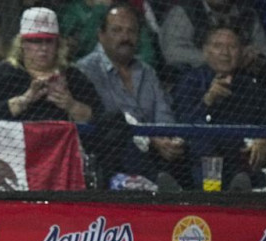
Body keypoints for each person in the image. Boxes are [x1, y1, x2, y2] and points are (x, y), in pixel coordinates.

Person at [76, 3, 190, 190]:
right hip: (114, 155)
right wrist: (151, 139)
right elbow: (106, 119)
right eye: (117, 30)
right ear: (101, 35)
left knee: (187, 147)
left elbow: (163, 114)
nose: (125, 37)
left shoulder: (148, 72)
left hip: (157, 154)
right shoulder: (85, 71)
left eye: (131, 31)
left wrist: (169, 140)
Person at [173, 26, 266, 190]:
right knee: (202, 145)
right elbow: (182, 125)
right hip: (202, 160)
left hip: (241, 161)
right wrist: (207, 101)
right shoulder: (190, 81)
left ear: (241, 52)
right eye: (218, 46)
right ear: (205, 51)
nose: (225, 52)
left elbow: (265, 124)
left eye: (232, 47)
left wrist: (263, 139)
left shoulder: (249, 84)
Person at [0, 7, 102, 123]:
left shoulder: (72, 75)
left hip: (65, 144)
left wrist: (71, 105)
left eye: (49, 41)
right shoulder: (5, 73)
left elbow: (100, 116)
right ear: (22, 44)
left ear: (58, 45)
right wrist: (25, 99)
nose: (43, 48)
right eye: (36, 41)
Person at [159, 0, 266, 82]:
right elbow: (173, 52)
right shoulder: (184, 12)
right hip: (197, 86)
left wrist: (257, 59)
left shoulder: (247, 13)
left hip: (243, 85)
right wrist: (219, 60)